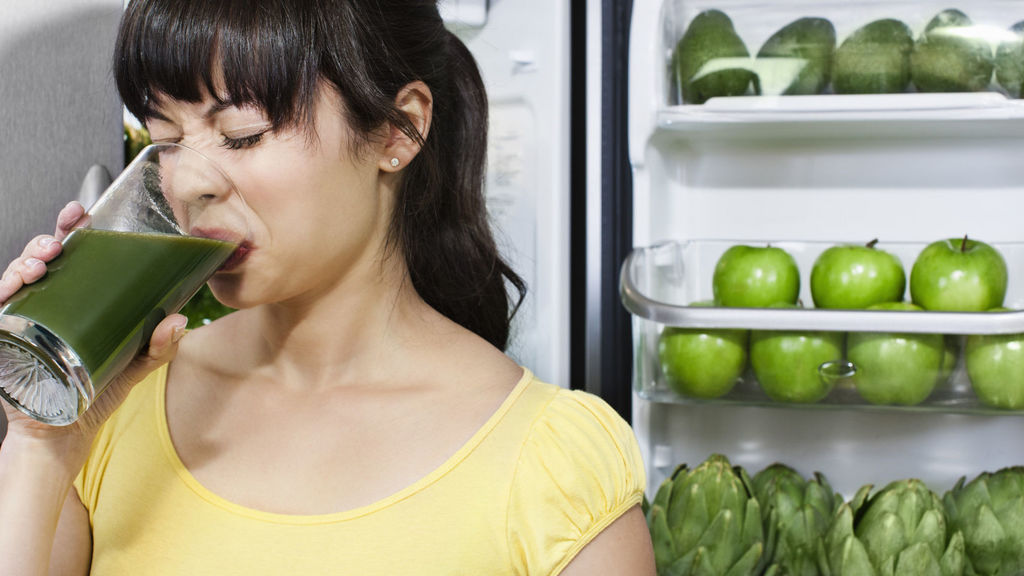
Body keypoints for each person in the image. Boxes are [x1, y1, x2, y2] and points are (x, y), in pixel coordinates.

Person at [0, 1, 656, 574]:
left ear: (398, 131)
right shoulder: (111, 418)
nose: (187, 184)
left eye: (242, 134)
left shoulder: (550, 464)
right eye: (166, 139)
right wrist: (41, 444)